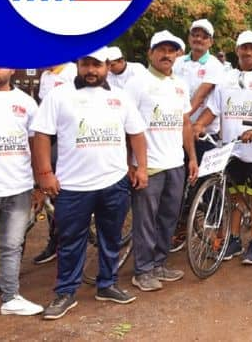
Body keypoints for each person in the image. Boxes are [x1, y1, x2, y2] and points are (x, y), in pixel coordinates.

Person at [32, 47, 148, 320]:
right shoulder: (59, 96)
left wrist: (140, 167)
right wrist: (45, 173)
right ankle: (66, 292)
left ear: (107, 66)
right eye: (86, 64)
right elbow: (41, 136)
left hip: (114, 183)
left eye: (97, 65)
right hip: (72, 186)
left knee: (111, 238)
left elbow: (137, 134)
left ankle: (107, 284)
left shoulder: (120, 98)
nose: (91, 71)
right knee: (70, 241)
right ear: (79, 64)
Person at [194, 31, 252, 264]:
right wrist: (199, 125)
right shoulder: (226, 78)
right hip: (230, 149)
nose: (248, 52)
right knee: (234, 197)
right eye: (244, 48)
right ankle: (233, 240)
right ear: (237, 50)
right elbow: (213, 108)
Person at [125, 31, 198, 292]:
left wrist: (191, 157)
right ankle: (142, 270)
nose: (167, 55)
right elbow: (127, 125)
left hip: (175, 163)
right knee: (146, 219)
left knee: (168, 217)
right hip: (150, 166)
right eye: (161, 49)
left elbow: (186, 123)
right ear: (150, 53)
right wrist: (131, 164)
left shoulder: (179, 84)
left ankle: (158, 263)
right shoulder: (137, 82)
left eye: (172, 50)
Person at [0, 66, 43, 316]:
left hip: (19, 188)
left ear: (12, 68)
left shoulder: (26, 103)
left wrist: (38, 184)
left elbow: (35, 146)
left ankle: (10, 298)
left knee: (12, 246)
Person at [32, 61, 78, 265]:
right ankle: (55, 241)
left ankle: (65, 242)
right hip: (50, 135)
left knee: (62, 192)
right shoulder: (45, 76)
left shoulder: (72, 71)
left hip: (68, 137)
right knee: (51, 191)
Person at [173, 18, 225, 163]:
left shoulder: (214, 65)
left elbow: (201, 95)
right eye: (195, 35)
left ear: (211, 42)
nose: (198, 39)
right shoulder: (178, 62)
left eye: (204, 36)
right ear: (189, 38)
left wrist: (181, 120)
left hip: (202, 132)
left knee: (200, 179)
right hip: (179, 131)